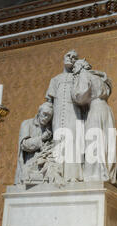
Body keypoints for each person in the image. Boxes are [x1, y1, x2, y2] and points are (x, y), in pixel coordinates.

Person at [71, 59, 117, 188]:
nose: (74, 70)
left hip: (95, 109)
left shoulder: (84, 74)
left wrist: (74, 92)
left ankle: (96, 173)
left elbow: (80, 95)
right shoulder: (100, 78)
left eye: (75, 67)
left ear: (81, 66)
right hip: (106, 110)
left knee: (94, 141)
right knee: (107, 144)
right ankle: (110, 173)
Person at [45, 50, 85, 182]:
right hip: (58, 115)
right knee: (58, 142)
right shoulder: (55, 79)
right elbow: (48, 102)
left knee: (73, 142)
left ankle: (73, 175)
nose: (71, 58)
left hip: (74, 113)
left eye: (74, 57)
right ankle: (56, 175)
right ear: (63, 58)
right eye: (69, 55)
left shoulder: (78, 76)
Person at [14, 102, 56, 185]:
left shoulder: (50, 129)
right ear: (39, 112)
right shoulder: (27, 124)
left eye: (49, 116)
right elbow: (24, 145)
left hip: (43, 164)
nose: (46, 118)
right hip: (29, 163)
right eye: (44, 114)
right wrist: (41, 138)